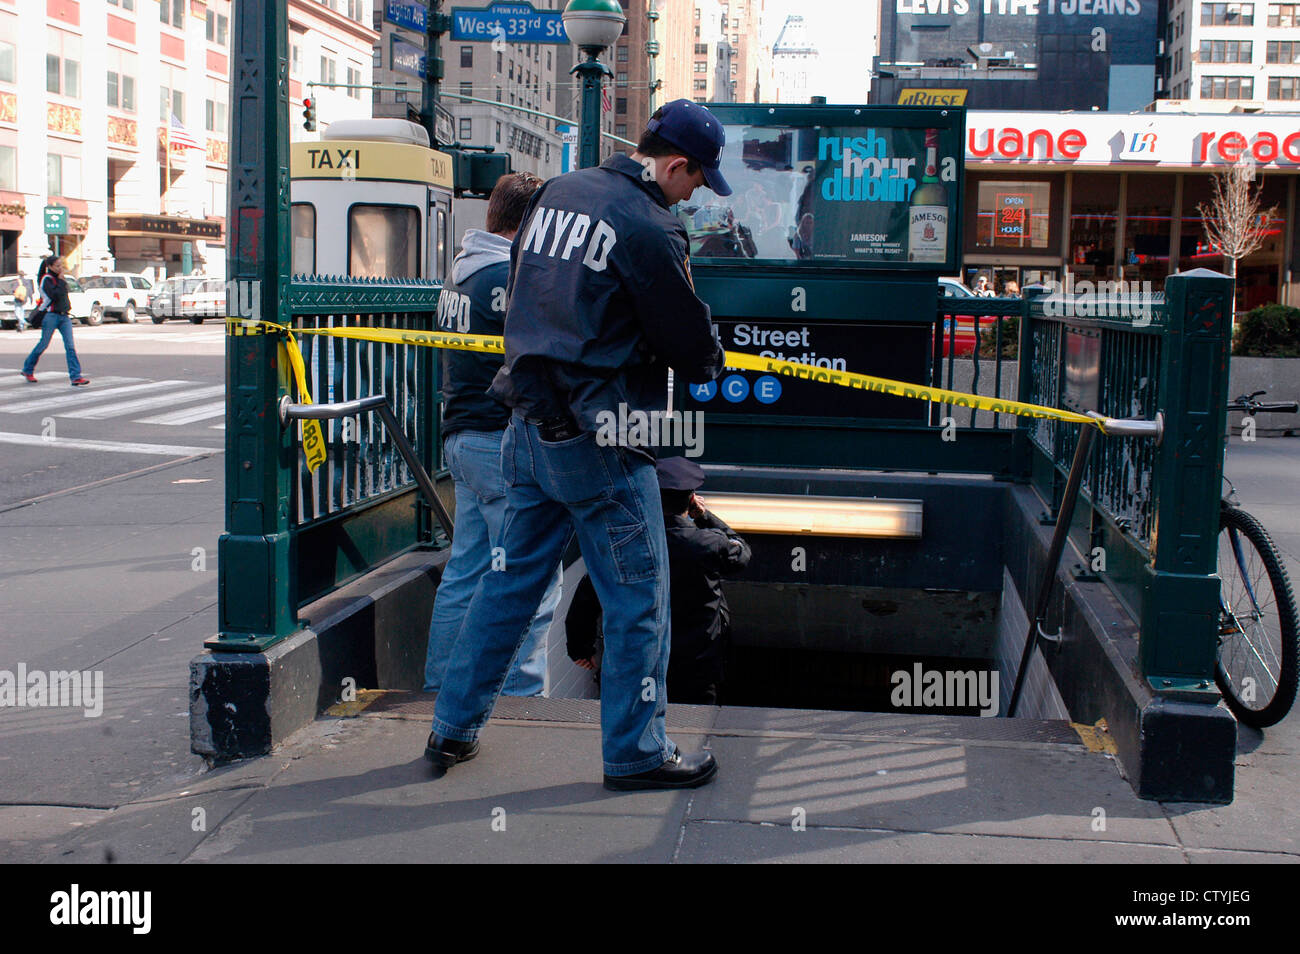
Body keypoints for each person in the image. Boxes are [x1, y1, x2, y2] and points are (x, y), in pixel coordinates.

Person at [425, 99, 728, 791]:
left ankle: (453, 727)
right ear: (676, 165)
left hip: (526, 425)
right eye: (698, 182)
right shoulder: (651, 227)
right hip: (604, 438)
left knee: (507, 585)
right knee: (639, 600)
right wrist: (709, 352)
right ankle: (637, 752)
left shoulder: (559, 193)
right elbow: (689, 345)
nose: (696, 198)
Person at [423, 171, 561, 698]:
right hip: (500, 444)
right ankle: (521, 702)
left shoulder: (461, 273)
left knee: (466, 574)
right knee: (532, 580)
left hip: (463, 440)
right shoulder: (508, 276)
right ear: (530, 222)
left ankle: (440, 687)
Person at [566, 457, 751, 705]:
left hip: (637, 659)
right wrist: (705, 517)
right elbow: (742, 553)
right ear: (692, 498)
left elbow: (587, 596)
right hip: (697, 663)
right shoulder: (708, 544)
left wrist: (580, 648)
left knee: (636, 719)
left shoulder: (624, 544)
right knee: (694, 722)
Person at [22, 256, 89, 386]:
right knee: (44, 344)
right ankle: (28, 369)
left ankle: (75, 376)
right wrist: (61, 281)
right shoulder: (46, 279)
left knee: (70, 346)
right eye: (57, 266)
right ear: (50, 267)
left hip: (64, 316)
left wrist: (62, 282)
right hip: (51, 315)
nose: (60, 268)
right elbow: (55, 295)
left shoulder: (59, 279)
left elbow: (64, 295)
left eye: (61, 266)